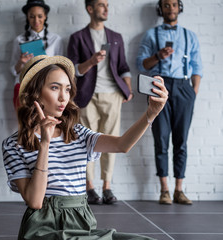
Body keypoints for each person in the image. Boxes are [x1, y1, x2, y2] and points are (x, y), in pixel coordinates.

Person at [2, 55, 168, 239]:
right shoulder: (14, 145)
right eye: (54, 87)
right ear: (36, 93)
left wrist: (151, 114)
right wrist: (44, 144)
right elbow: (35, 201)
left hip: (81, 223)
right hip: (43, 228)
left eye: (67, 89)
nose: (63, 97)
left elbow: (122, 145)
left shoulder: (78, 134)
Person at [136, 0, 203, 205]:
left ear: (179, 8)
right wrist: (158, 56)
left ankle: (178, 190)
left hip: (184, 88)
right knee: (161, 138)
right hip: (159, 85)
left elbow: (197, 66)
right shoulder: (151, 35)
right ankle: (164, 190)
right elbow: (141, 64)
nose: (171, 8)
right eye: (166, 5)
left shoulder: (189, 35)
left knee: (181, 141)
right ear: (161, 9)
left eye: (174, 4)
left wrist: (193, 93)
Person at [67, 0, 133, 205]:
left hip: (113, 94)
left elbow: (123, 67)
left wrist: (128, 88)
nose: (106, 8)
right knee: (87, 142)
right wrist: (92, 61)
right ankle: (89, 187)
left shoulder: (116, 37)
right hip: (86, 96)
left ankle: (107, 186)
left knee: (112, 141)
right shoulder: (77, 37)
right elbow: (72, 70)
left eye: (107, 5)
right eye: (101, 4)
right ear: (90, 9)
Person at [10, 0, 63, 110]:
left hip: (46, 87)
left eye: (40, 16)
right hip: (23, 86)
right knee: (25, 124)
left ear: (45, 16)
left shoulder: (56, 40)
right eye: (32, 16)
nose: (36, 20)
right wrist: (21, 62)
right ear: (27, 17)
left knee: (45, 122)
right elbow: (13, 70)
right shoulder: (19, 40)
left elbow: (61, 67)